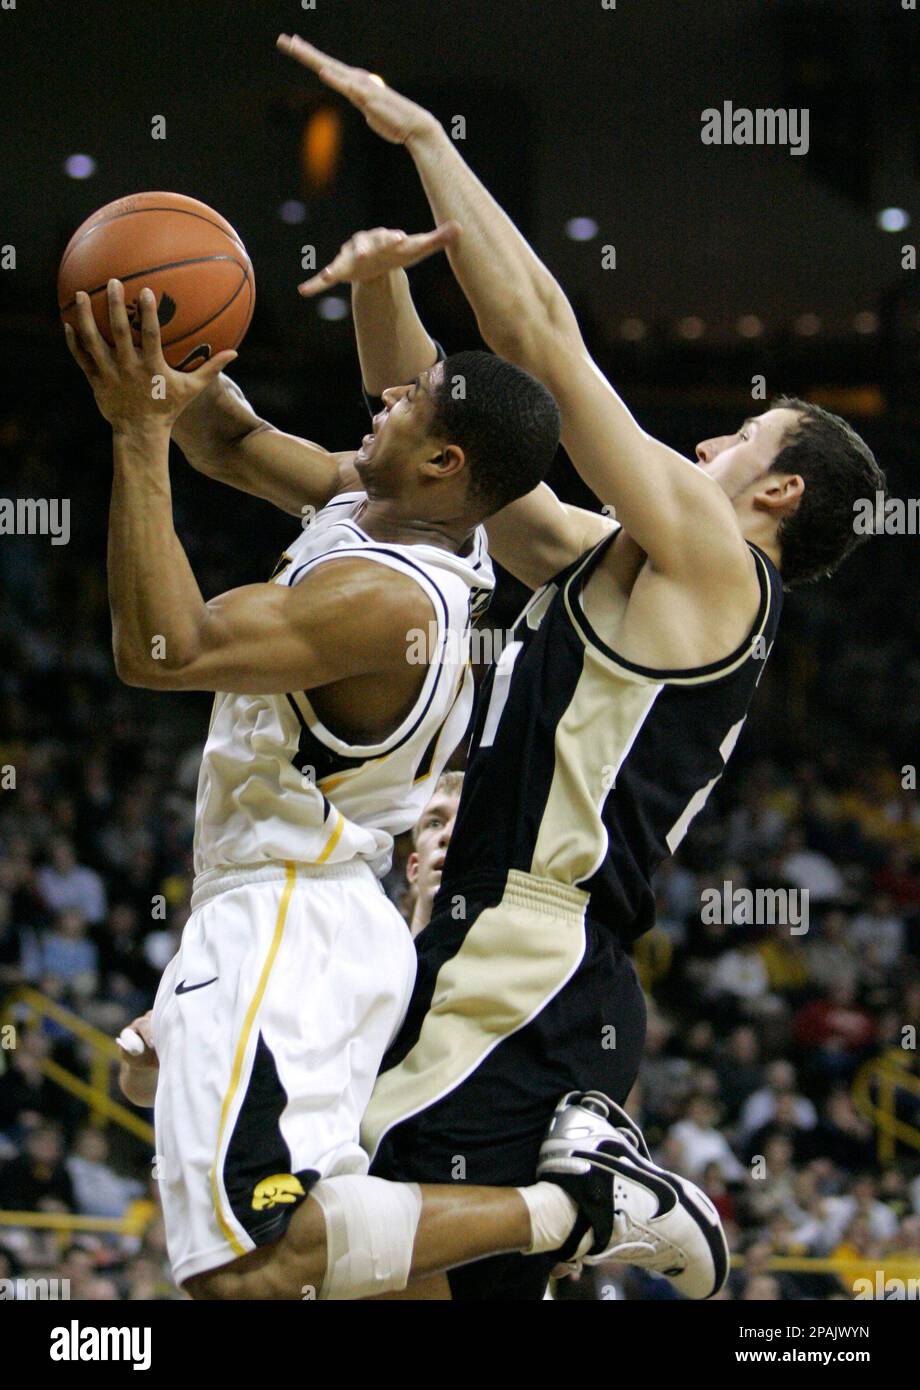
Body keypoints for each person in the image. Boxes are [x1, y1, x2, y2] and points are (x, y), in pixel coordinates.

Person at [193, 35, 883, 1303]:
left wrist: (423, 140)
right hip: (486, 946)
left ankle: (593, 1207)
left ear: (776, 489)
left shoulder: (721, 574)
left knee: (286, 1261)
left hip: (530, 953)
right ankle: (583, 1208)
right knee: (318, 1269)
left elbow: (541, 339)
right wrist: (380, 285)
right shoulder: (605, 556)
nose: (703, 439)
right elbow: (450, 456)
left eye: (735, 437)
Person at [64, 267, 560, 1293]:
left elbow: (164, 647)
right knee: (300, 1268)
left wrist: (135, 432)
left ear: (441, 459)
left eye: (405, 403)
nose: (383, 396)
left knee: (246, 1269)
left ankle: (571, 1207)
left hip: (288, 919)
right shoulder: (381, 507)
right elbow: (233, 440)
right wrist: (163, 355)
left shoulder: (386, 600)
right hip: (303, 917)